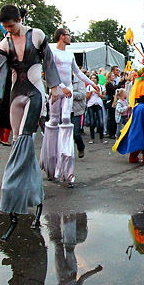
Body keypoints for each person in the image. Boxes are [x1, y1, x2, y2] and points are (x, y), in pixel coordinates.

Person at [0, 4, 63, 239]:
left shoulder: (37, 35)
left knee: (23, 142)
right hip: (15, 95)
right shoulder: (4, 44)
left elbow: (49, 62)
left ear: (19, 19)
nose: (8, 30)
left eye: (10, 25)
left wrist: (55, 87)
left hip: (34, 94)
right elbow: (0, 75)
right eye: (5, 27)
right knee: (21, 144)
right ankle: (34, 197)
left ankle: (10, 194)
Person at [38, 28, 99, 186]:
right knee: (53, 121)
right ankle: (50, 160)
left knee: (66, 119)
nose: (70, 37)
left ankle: (65, 166)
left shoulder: (70, 54)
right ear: (61, 37)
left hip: (68, 91)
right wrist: (60, 86)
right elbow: (48, 71)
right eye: (68, 35)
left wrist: (93, 84)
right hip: (57, 90)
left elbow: (78, 72)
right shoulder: (53, 52)